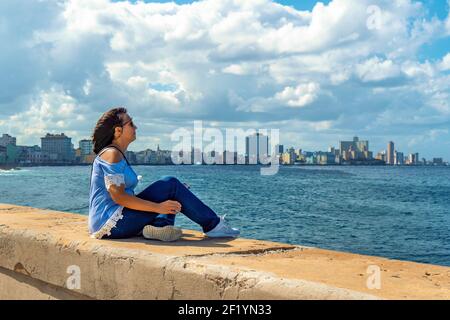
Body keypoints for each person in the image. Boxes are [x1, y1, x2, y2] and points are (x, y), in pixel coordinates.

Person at [88, 107, 240, 241]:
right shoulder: (111, 154)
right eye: (131, 124)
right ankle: (214, 225)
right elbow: (119, 197)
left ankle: (159, 226)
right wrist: (157, 207)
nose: (136, 127)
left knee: (172, 190)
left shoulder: (116, 153)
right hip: (111, 224)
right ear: (118, 130)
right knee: (170, 184)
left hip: (117, 221)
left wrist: (166, 199)